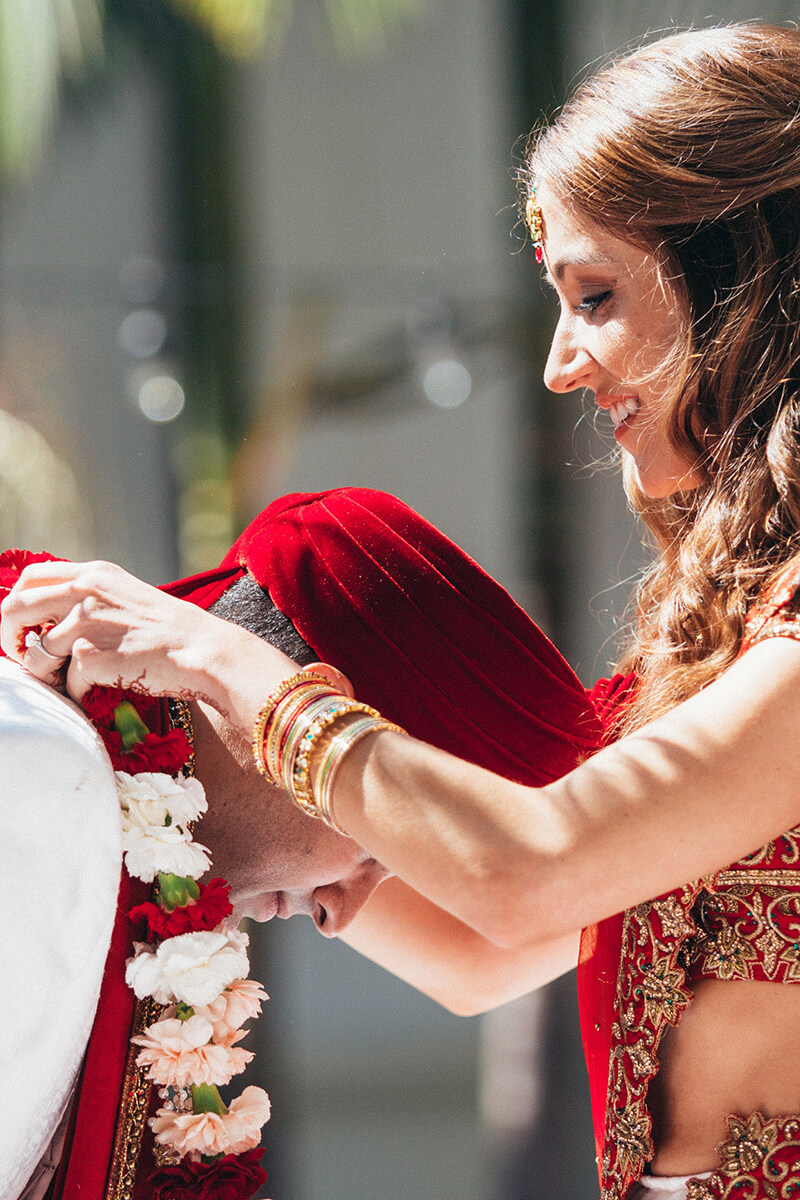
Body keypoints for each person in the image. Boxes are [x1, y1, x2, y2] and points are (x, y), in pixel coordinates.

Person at [6, 21, 800, 1200]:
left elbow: (531, 875)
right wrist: (164, 755)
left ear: (744, 284)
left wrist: (228, 667)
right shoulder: (721, 631)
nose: (560, 363)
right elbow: (492, 949)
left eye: (594, 295)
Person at [0, 488, 601, 1199]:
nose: (340, 916)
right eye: (379, 849)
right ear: (301, 711)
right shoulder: (40, 766)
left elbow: (479, 963)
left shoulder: (85, 788)